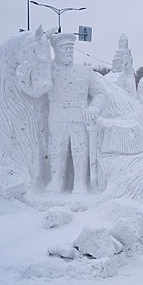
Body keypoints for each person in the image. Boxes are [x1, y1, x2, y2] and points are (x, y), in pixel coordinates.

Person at [40, 33, 105, 194]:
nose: (69, 51)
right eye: (65, 48)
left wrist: (95, 107)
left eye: (71, 48)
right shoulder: (48, 70)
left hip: (79, 116)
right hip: (56, 116)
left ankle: (80, 183)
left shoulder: (85, 71)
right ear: (55, 50)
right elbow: (37, 90)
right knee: (57, 148)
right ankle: (56, 181)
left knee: (80, 149)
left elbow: (100, 93)